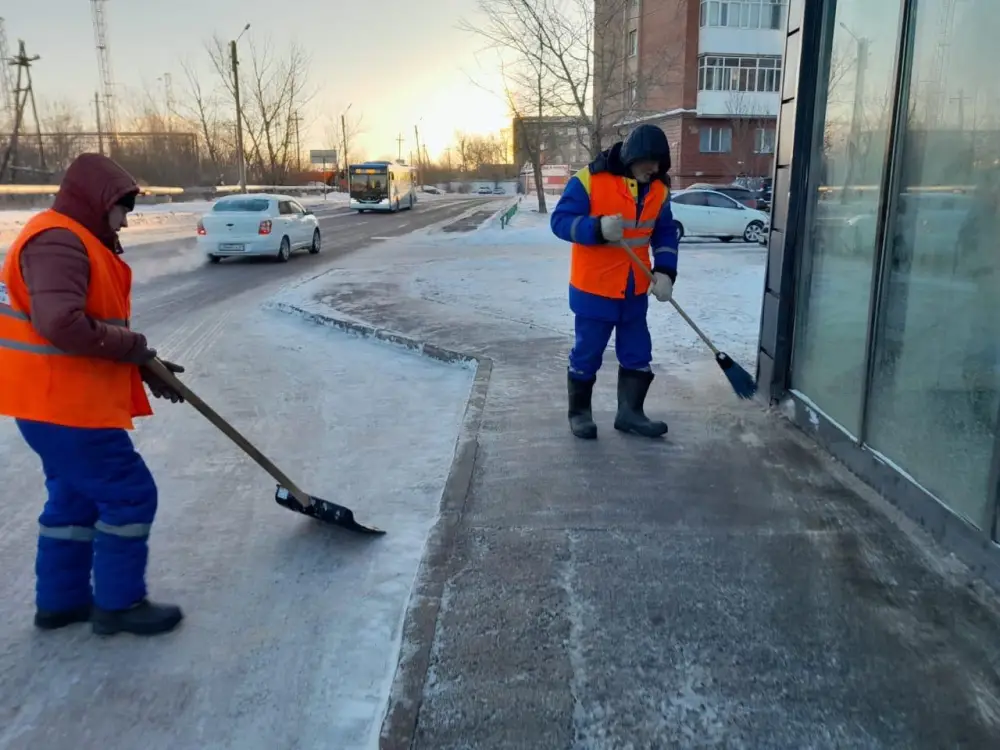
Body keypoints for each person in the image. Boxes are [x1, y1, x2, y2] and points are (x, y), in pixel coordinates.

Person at [0, 153, 186, 636]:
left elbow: (89, 327)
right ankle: (119, 605)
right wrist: (134, 348)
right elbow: (61, 324)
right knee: (129, 494)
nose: (125, 219)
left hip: (54, 402)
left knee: (74, 500)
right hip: (66, 408)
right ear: (97, 201)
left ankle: (60, 603)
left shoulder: (66, 237)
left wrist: (144, 367)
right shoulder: (59, 242)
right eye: (121, 208)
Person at [549, 124, 679, 440]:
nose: (655, 170)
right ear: (634, 157)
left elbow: (664, 232)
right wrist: (596, 229)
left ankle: (630, 414)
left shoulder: (659, 189)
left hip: (635, 288)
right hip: (594, 289)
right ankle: (579, 414)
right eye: (650, 163)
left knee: (638, 352)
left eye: (660, 163)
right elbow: (560, 222)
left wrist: (665, 271)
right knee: (588, 353)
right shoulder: (589, 181)